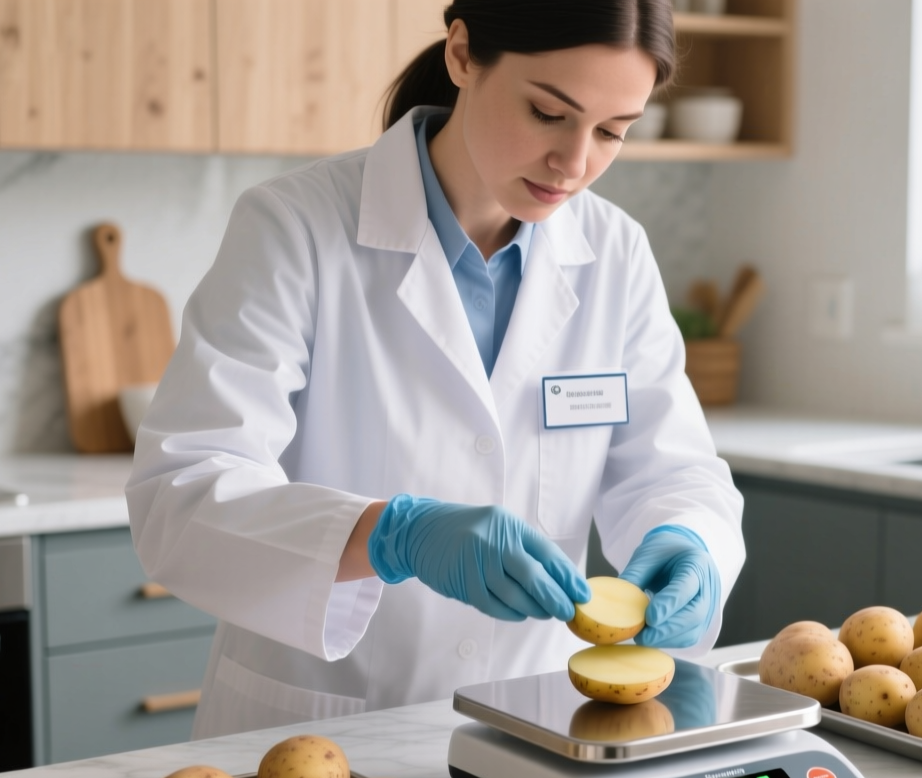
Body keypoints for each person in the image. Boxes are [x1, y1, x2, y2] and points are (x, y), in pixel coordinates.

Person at [126, 0, 744, 739]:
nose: (575, 164)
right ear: (462, 54)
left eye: (613, 131)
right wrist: (391, 534)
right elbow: (183, 496)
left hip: (537, 725)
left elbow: (672, 470)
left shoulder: (615, 252)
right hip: (324, 730)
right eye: (549, 113)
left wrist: (691, 540)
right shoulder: (294, 227)